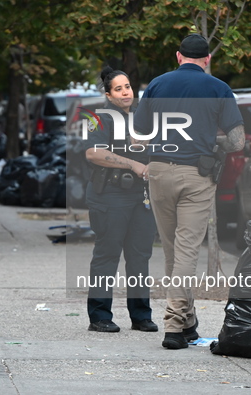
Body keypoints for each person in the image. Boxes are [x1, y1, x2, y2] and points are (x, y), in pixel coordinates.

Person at [132, 34, 245, 349]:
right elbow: (237, 142)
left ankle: (187, 322)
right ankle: (173, 326)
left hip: (158, 172)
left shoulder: (156, 85)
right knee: (186, 252)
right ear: (208, 59)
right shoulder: (218, 88)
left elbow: (139, 134)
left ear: (178, 56)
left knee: (172, 251)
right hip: (196, 175)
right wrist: (212, 140)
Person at [83, 66, 158, 333]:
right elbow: (93, 153)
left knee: (140, 257)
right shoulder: (97, 118)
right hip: (110, 196)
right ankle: (100, 316)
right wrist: (132, 165)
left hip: (141, 197)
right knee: (107, 256)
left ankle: (141, 316)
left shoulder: (141, 118)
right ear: (108, 94)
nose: (126, 92)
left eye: (127, 86)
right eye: (119, 88)